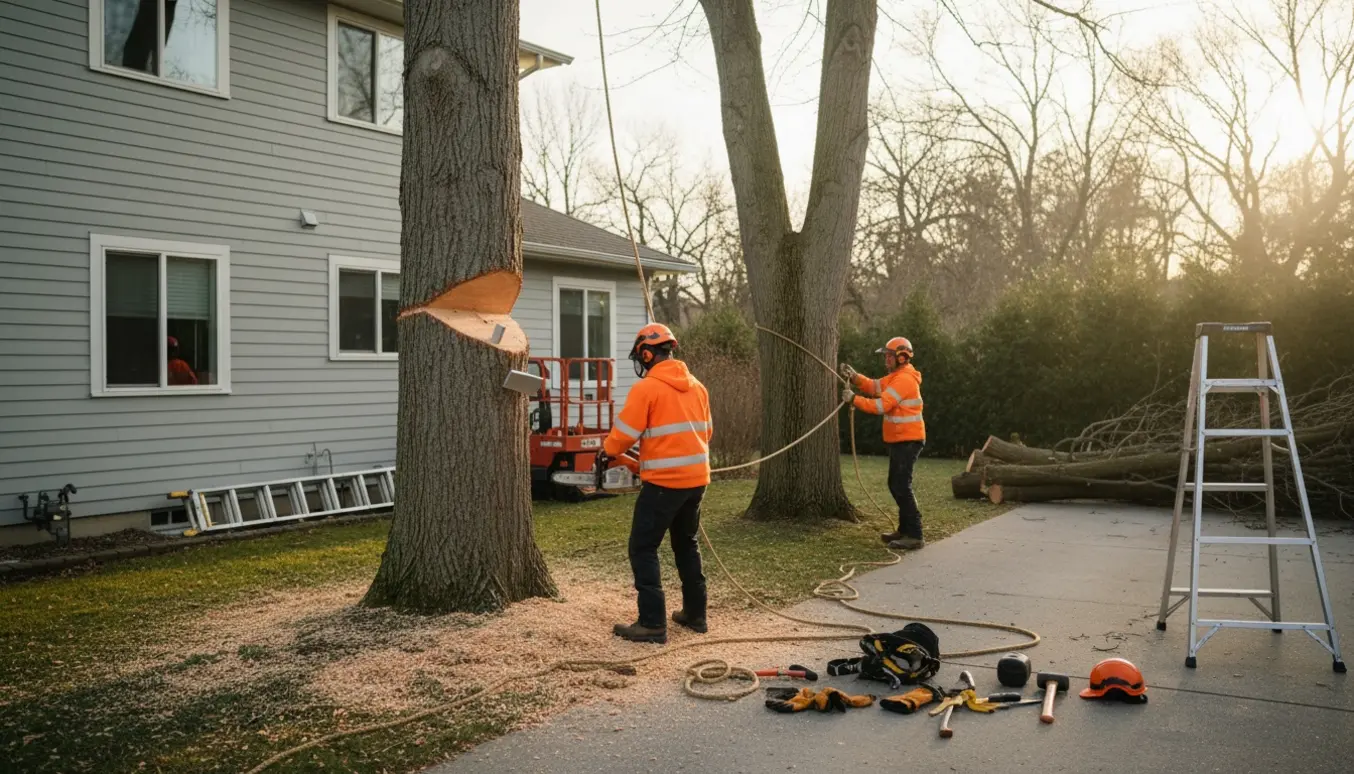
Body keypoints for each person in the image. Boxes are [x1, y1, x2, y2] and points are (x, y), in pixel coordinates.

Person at [601, 323, 713, 644]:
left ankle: (652, 623)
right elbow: (706, 434)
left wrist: (608, 451)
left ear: (647, 354)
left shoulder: (647, 389)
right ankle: (695, 614)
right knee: (686, 545)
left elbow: (622, 436)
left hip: (664, 485)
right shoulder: (698, 387)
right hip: (696, 483)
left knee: (643, 547)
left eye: (641, 357)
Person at [841, 336, 926, 550]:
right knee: (895, 484)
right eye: (886, 356)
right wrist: (856, 377)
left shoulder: (905, 379)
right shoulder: (896, 376)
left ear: (901, 357)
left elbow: (881, 406)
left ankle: (915, 534)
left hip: (908, 440)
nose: (886, 360)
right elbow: (874, 386)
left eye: (889, 356)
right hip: (900, 440)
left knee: (901, 485)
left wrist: (853, 399)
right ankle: (905, 529)